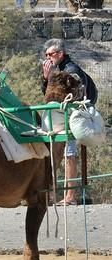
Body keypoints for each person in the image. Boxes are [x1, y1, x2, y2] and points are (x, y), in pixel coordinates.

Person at [42, 38, 98, 205]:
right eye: (46, 55)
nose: (48, 58)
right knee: (53, 152)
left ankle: (70, 196)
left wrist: (50, 78)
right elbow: (48, 95)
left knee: (70, 153)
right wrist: (47, 79)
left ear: (60, 54)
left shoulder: (72, 70)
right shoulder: (57, 69)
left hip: (75, 115)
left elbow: (75, 94)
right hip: (60, 115)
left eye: (50, 54)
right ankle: (51, 195)